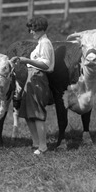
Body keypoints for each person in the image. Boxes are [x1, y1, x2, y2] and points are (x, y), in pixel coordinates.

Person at [12, 16, 55, 155]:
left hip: (38, 77)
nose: (31, 32)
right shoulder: (40, 43)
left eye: (33, 29)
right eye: (30, 29)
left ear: (41, 29)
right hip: (32, 76)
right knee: (26, 112)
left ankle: (43, 146)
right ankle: (35, 142)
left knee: (36, 112)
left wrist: (27, 60)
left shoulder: (45, 43)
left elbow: (46, 64)